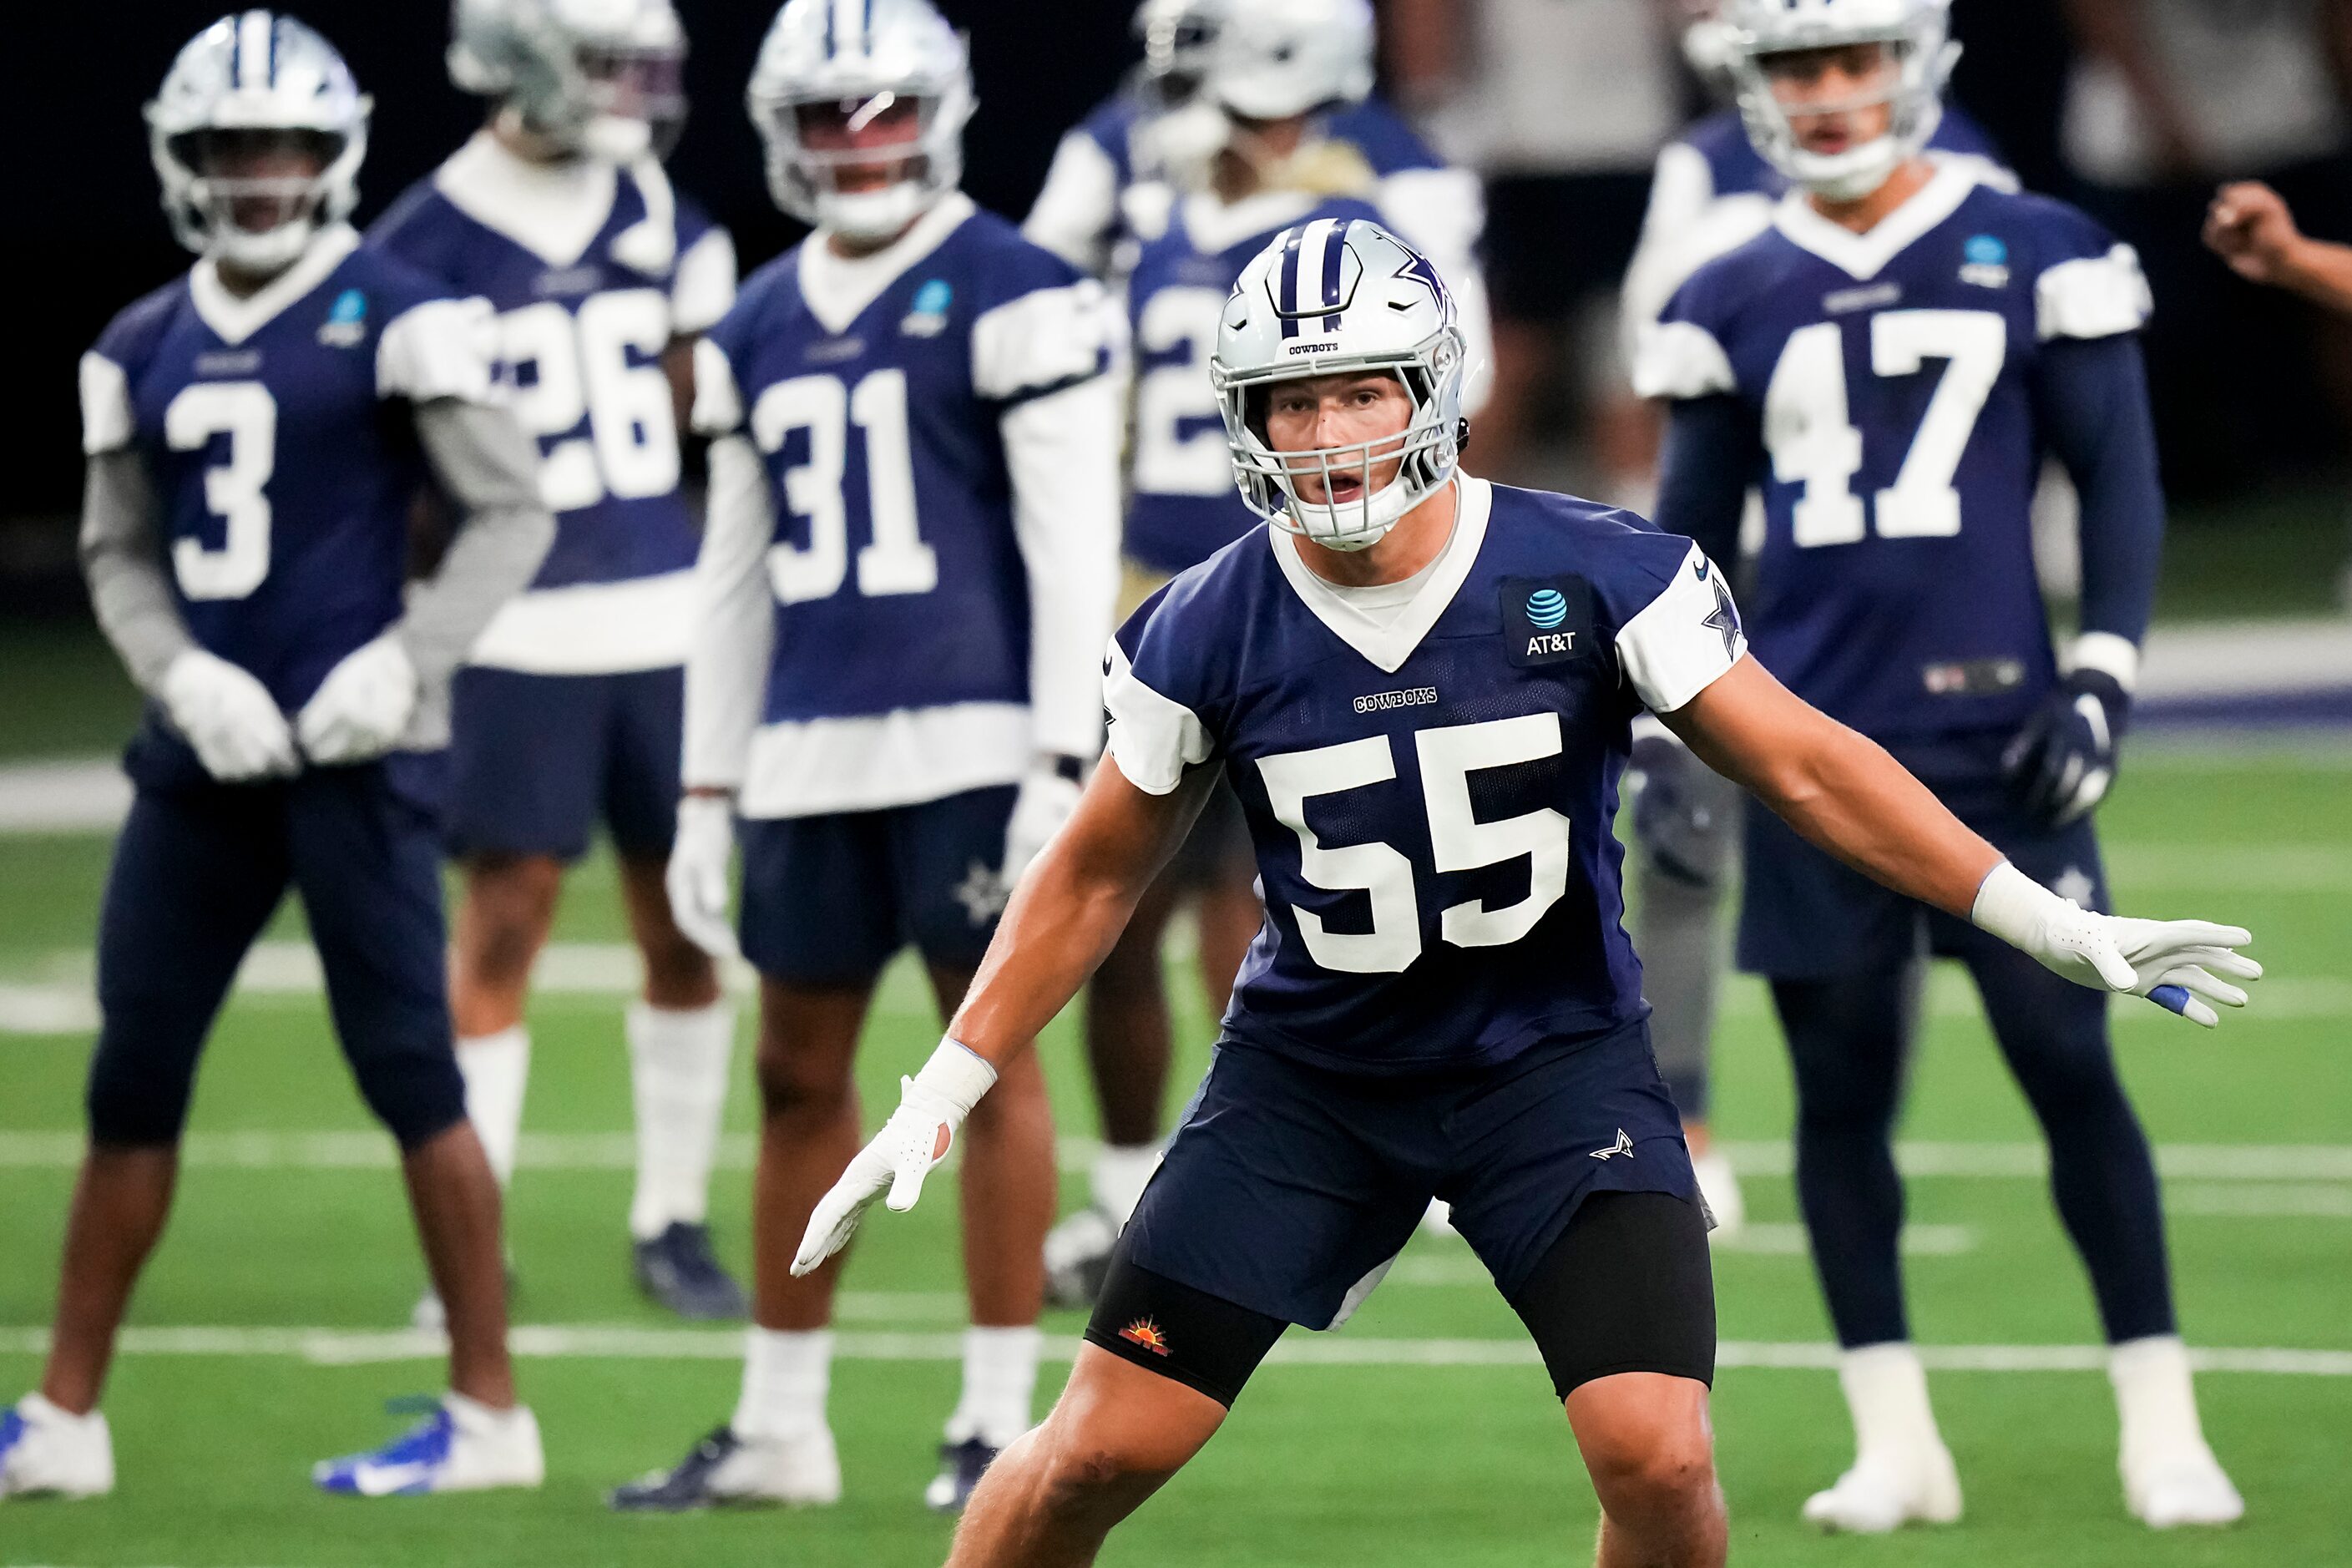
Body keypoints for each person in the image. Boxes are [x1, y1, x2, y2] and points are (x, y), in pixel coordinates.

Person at [787, 216, 2259, 1568]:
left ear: (1427, 387)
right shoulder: (1202, 623)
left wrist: (2043, 920)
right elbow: (1096, 869)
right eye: (1289, 402)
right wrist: (940, 1087)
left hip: (1552, 1071)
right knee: (1092, 1454)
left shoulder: (1591, 570)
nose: (1325, 432)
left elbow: (1804, 767)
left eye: (1357, 389)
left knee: (1660, 1457)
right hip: (1312, 1084)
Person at [1636, 0, 2247, 1532]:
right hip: (1815, 752)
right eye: (1796, 69)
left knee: (2066, 1065)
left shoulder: (2038, 244)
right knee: (1842, 1093)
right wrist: (1670, 733)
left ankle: (2159, 1420)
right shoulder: (1725, 284)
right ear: (1750, 88)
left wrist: (2101, 671)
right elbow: (1685, 547)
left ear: (1910, 65)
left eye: (1851, 61)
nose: (1830, 96)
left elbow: (2117, 474)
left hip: (1998, 741)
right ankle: (1894, 1435)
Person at [0, 13, 554, 1500]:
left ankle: (492, 1411)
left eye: (285, 147)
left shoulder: (402, 310)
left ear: (335, 151)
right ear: (180, 161)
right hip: (202, 759)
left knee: (409, 1071)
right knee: (134, 1069)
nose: (259, 176)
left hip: (358, 753)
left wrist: (408, 658)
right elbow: (118, 553)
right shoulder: (134, 345)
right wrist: (178, 672)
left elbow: (510, 512)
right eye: (230, 150)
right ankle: (64, 1414)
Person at [606, 0, 1123, 1515]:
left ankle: (988, 1415)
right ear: (781, 130)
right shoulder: (757, 317)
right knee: (793, 1073)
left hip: (972, 736)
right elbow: (732, 573)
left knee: (988, 1070)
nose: (860, 142)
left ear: (941, 113)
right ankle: (779, 1423)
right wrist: (706, 782)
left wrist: (1053, 752)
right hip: (812, 749)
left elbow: (1065, 539)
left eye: (885, 110)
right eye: (830, 115)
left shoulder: (1016, 287)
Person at [1038, 0, 1495, 1305]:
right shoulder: (1129, 167)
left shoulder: (1392, 191)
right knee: (1121, 897)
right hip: (1146, 591)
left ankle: (1360, 1169)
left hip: (1318, 586)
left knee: (1324, 893)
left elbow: (1459, 396)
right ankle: (1134, 1185)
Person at [1611, 2, 2016, 1242]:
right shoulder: (1707, 174)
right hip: (1742, 580)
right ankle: (1682, 1120)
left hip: (1896, 598)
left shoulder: (1973, 175)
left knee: (1879, 852)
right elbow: (1653, 377)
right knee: (1679, 842)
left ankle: (1854, 1131)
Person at [368, 0, 746, 1323]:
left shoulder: (657, 208)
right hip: (519, 627)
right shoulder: (423, 238)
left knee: (684, 922)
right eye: (608, 67)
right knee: (505, 919)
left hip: (664, 613)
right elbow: (398, 459)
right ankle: (468, 1236)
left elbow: (708, 406)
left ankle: (674, 1216)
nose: (634, 94)